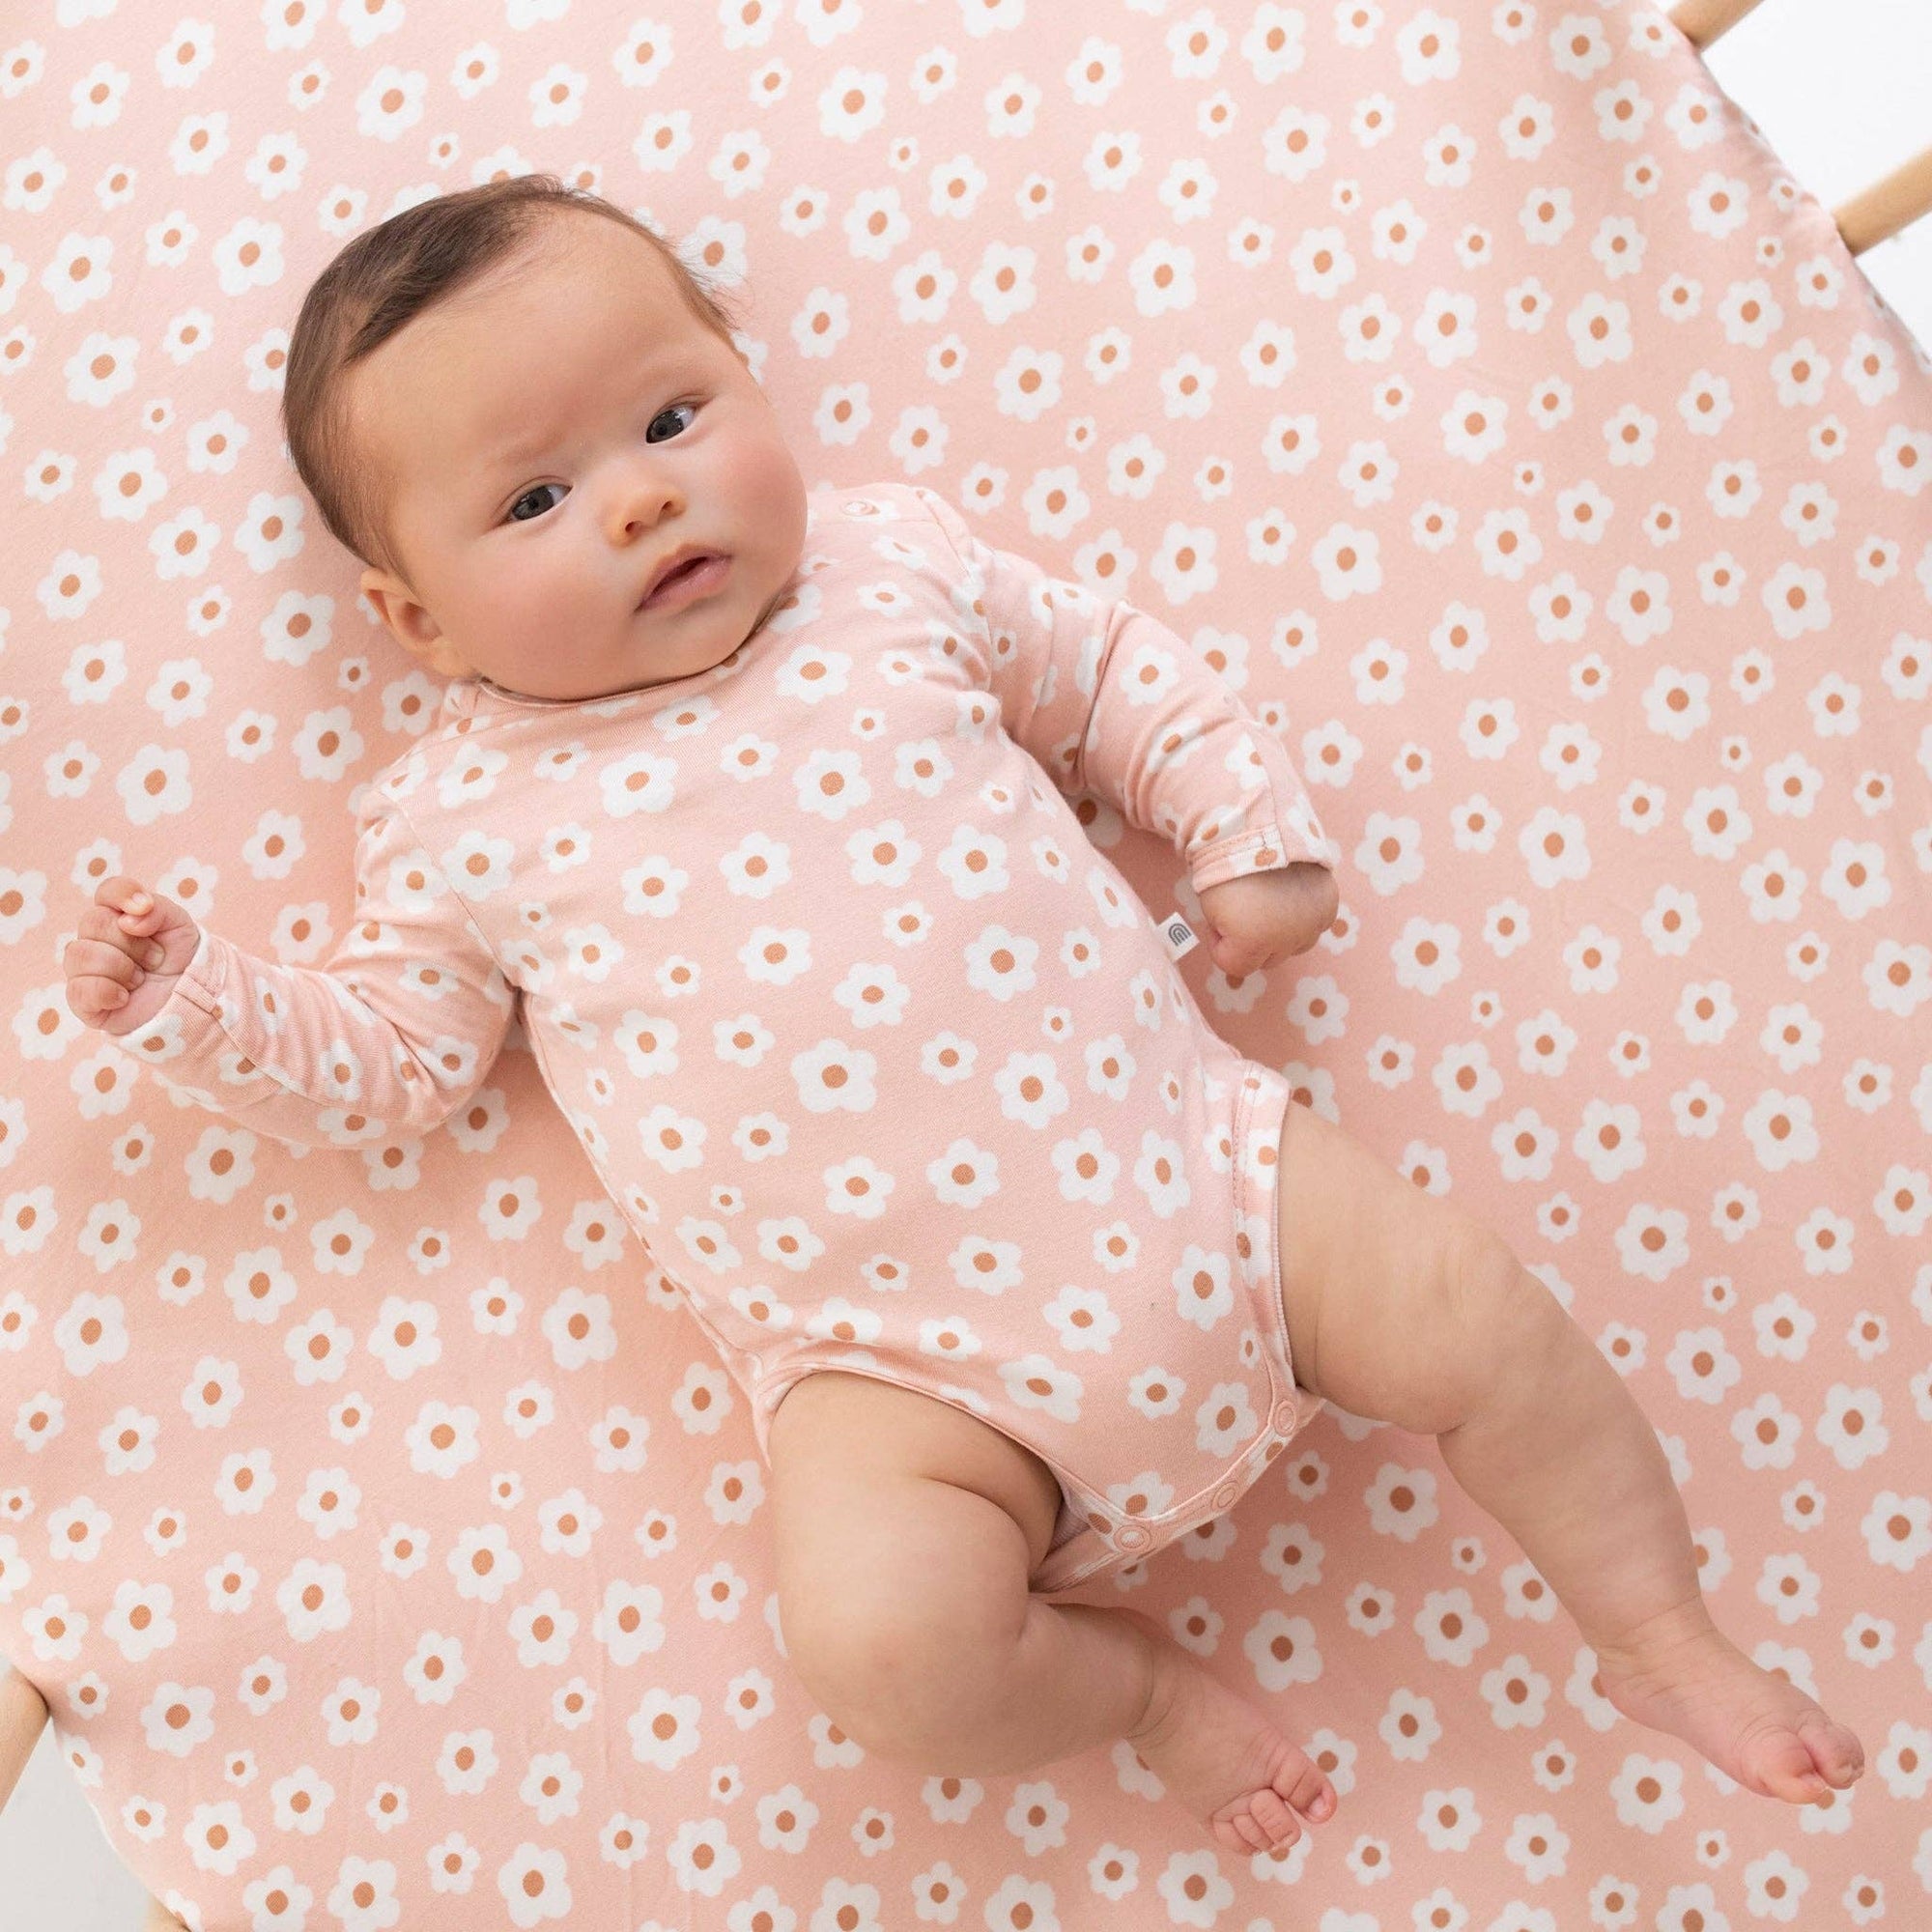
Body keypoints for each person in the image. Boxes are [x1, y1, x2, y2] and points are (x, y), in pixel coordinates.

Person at [61, 178, 1862, 1858]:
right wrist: (201, 1001)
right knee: (878, 1649)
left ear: (748, 385)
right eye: (532, 502)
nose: (636, 497)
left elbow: (1111, 670)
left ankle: (1657, 1628)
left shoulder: (884, 571)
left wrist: (1240, 832)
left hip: (1210, 1190)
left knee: (1483, 1311)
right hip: (899, 1379)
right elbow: (395, 1061)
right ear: (419, 623)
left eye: (673, 419)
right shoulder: (460, 820)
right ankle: (1144, 1688)